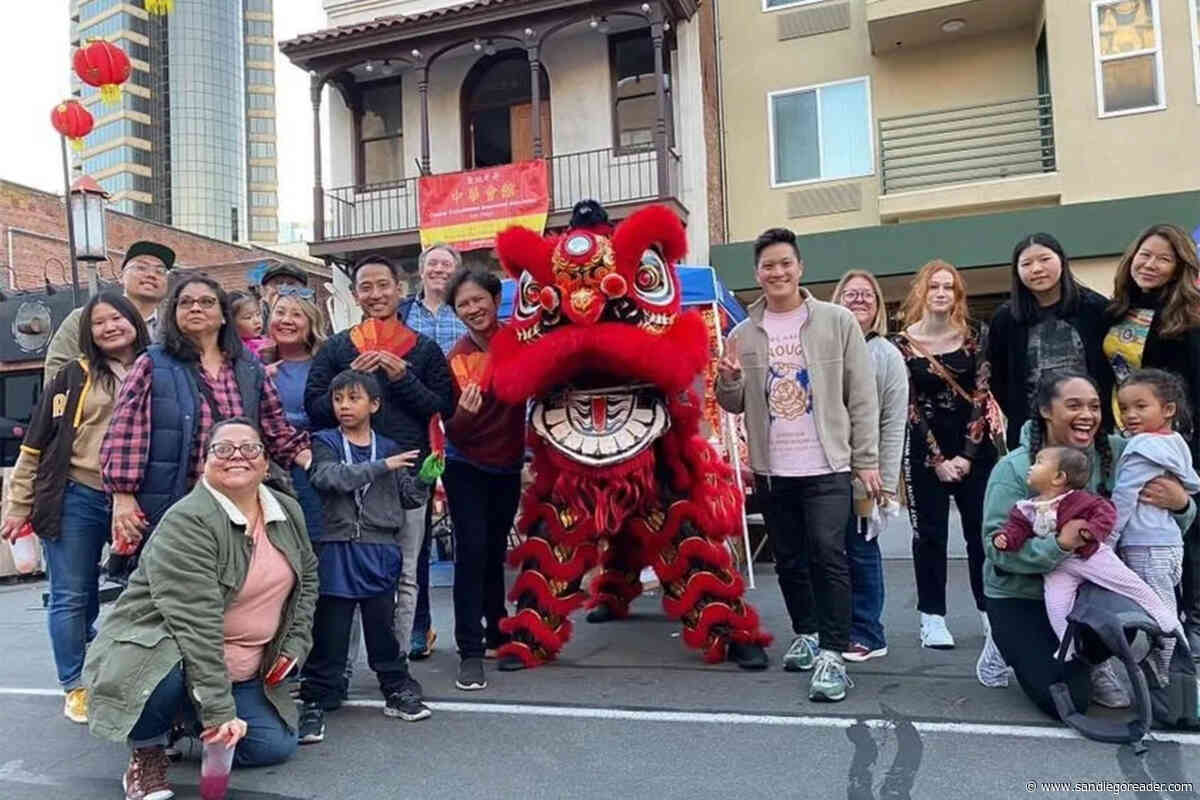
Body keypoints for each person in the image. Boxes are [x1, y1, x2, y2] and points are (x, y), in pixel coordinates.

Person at [83, 418, 318, 800]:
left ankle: (185, 717)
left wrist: (294, 644)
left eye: (250, 448)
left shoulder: (288, 510)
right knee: (163, 675)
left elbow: (308, 579)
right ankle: (147, 750)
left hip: (240, 664)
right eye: (223, 449)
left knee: (273, 747)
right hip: (171, 650)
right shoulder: (188, 520)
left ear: (264, 461)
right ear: (204, 462)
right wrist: (220, 711)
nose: (237, 456)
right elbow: (197, 625)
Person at [715, 227, 880, 703]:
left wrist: (865, 461)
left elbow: (862, 396)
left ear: (800, 267)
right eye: (768, 265)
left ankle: (833, 651)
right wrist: (727, 382)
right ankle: (806, 632)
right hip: (773, 467)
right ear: (757, 274)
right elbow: (733, 403)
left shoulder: (836, 321)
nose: (778, 272)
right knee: (788, 557)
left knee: (828, 553)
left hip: (827, 463)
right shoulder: (742, 333)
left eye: (785, 263)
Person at [981, 372, 1195, 718]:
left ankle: (1093, 656)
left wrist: (1181, 504)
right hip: (1021, 593)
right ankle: (1005, 641)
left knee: (1132, 601)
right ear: (1046, 411)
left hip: (1092, 586)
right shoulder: (1016, 469)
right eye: (1074, 405)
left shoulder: (1124, 453)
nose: (1088, 415)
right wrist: (1059, 546)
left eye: (1095, 406)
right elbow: (995, 548)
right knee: (1069, 700)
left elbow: (1163, 524)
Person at [0, 293, 148, 724]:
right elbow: (34, 447)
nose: (110, 327)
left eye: (117, 318)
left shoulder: (157, 367)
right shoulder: (73, 375)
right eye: (99, 322)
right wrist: (18, 506)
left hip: (140, 496)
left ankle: (125, 671)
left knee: (144, 590)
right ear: (88, 333)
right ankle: (76, 683)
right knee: (71, 594)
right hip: (77, 494)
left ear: (134, 321)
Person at [101, 277, 312, 573]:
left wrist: (317, 462)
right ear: (174, 314)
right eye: (185, 302)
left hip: (239, 503)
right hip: (177, 502)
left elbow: (276, 431)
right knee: (184, 592)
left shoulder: (248, 367)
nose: (195, 308)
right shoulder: (153, 363)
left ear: (224, 314)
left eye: (206, 302)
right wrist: (122, 497)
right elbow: (125, 432)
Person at [304, 253, 454, 659]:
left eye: (383, 285)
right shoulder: (338, 347)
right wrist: (348, 383)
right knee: (345, 563)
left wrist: (402, 376)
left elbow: (443, 405)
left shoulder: (422, 349)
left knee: (409, 564)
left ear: (400, 289)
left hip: (405, 471)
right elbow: (315, 406)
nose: (375, 294)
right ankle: (343, 662)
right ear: (355, 294)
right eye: (366, 287)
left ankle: (409, 641)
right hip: (350, 472)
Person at [299, 370, 433, 744]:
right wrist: (382, 467)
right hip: (337, 546)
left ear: (374, 404)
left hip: (379, 548)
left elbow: (408, 498)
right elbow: (328, 479)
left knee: (382, 627)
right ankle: (317, 698)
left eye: (353, 398)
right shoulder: (324, 441)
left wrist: (422, 479)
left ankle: (396, 686)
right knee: (331, 630)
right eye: (338, 399)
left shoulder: (390, 447)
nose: (343, 406)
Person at [1102, 224, 1200, 652]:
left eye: (1163, 258)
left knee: (1175, 528)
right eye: (1145, 254)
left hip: (1170, 442)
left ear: (1180, 267)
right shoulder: (1115, 311)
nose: (1150, 264)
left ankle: (1187, 622)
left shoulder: (1192, 317)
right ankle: (1130, 618)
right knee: (1128, 529)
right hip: (1117, 440)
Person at [891, 260, 997, 650]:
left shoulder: (973, 337)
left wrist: (967, 455)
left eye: (948, 287)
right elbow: (908, 404)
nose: (940, 293)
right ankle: (933, 617)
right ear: (921, 292)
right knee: (930, 536)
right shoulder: (901, 344)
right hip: (924, 452)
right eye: (933, 286)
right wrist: (938, 459)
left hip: (975, 450)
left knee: (981, 536)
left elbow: (982, 397)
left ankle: (990, 613)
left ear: (957, 296)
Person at [992, 445, 1178, 651]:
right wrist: (1006, 538)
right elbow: (1017, 528)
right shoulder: (1026, 507)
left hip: (1091, 557)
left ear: (1058, 477)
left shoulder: (1078, 499)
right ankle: (1067, 645)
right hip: (1057, 566)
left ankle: (1164, 616)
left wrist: (1092, 531)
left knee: (1129, 583)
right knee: (1056, 604)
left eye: (1038, 462)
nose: (1031, 467)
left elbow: (1106, 512)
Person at [441, 268, 526, 691]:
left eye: (479, 299)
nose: (473, 309)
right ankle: (469, 651)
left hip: (507, 464)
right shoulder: (456, 358)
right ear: (456, 312)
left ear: (495, 298)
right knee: (471, 553)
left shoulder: (518, 342)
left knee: (495, 551)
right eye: (464, 304)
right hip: (466, 466)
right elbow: (452, 429)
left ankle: (498, 633)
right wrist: (465, 415)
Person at [832, 269, 908, 662]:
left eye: (867, 295)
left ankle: (868, 632)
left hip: (867, 475)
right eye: (850, 293)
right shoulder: (826, 346)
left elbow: (894, 423)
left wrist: (887, 485)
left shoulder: (887, 355)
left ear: (878, 305)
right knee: (829, 553)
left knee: (861, 550)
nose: (859, 300)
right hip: (823, 470)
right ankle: (836, 626)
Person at [399, 243, 468, 659]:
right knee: (418, 538)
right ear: (421, 272)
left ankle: (476, 629)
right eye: (432, 264)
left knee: (470, 535)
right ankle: (419, 626)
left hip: (466, 428)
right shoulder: (405, 316)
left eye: (446, 264)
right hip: (418, 432)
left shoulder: (469, 309)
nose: (439, 269)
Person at [1111, 369, 1200, 678]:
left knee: (1161, 614)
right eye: (1123, 408)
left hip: (1145, 543)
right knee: (1163, 605)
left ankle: (1172, 671)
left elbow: (1124, 498)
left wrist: (1108, 539)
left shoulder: (1142, 448)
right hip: (1170, 543)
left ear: (1168, 409)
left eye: (1140, 406)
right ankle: (1160, 665)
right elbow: (1193, 483)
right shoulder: (1175, 443)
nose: (1130, 415)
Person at [988, 233, 1113, 449]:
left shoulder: (1095, 308)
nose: (1036, 269)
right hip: (1033, 431)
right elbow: (998, 378)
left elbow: (1110, 366)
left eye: (1045, 259)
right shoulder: (1005, 318)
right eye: (1026, 263)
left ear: (1062, 261)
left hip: (1091, 428)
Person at [43, 240, 173, 385]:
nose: (151, 275)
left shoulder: (175, 324)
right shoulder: (83, 319)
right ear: (122, 275)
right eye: (141, 267)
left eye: (160, 271)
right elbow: (56, 372)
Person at [260, 290, 328, 542]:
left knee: (309, 540)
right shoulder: (252, 363)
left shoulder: (323, 364)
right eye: (280, 312)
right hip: (262, 467)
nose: (286, 320)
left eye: (296, 314)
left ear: (311, 324)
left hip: (306, 464)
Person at [230, 290, 270, 360]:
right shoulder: (237, 352)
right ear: (232, 323)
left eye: (258, 314)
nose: (257, 321)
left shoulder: (269, 341)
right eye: (248, 317)